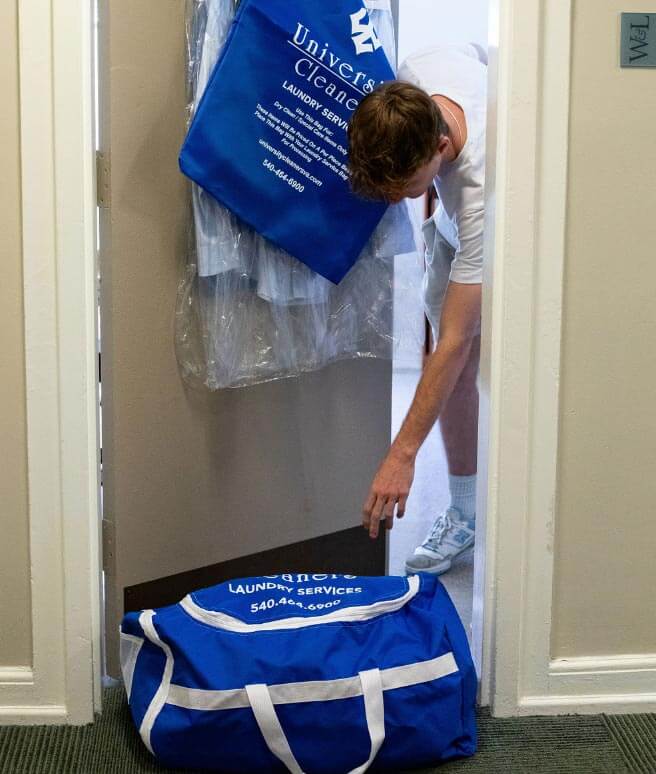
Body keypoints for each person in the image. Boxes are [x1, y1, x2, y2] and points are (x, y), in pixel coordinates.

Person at [347, 44, 487, 575]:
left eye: (406, 188)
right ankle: (466, 512)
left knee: (462, 356)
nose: (395, 200)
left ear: (442, 144)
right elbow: (473, 50)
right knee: (453, 362)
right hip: (447, 225)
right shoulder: (418, 71)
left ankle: (466, 514)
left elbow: (453, 341)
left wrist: (401, 455)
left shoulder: (483, 194)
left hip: (479, 227)